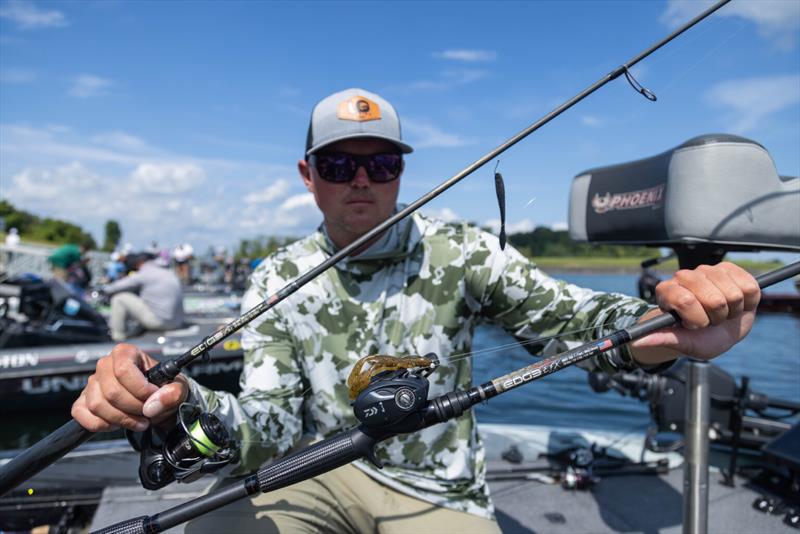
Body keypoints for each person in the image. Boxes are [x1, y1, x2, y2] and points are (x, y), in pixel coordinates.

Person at [72, 88, 761, 533]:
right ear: (308, 175)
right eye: (340, 166)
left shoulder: (461, 251)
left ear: (402, 170)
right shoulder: (277, 276)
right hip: (316, 471)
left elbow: (574, 323)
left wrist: (672, 327)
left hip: (442, 494)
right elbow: (272, 423)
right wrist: (179, 401)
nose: (363, 180)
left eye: (382, 164)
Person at [101, 252, 184, 341]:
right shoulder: (167, 271)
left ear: (141, 262)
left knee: (119, 298)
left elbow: (113, 288)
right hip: (177, 322)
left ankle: (117, 338)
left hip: (160, 322)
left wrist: (102, 288)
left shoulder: (146, 272)